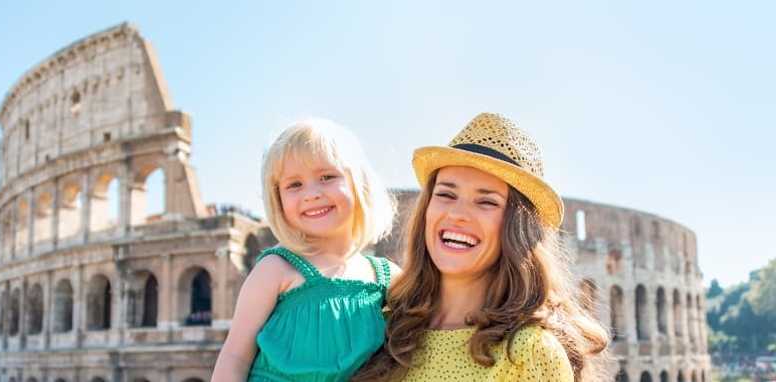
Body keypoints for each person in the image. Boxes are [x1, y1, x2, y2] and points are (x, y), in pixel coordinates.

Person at [354, 113, 610, 381]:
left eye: (486, 202)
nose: (457, 213)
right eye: (445, 194)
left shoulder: (529, 353)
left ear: (517, 228)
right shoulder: (385, 328)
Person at [212, 118, 399, 381]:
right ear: (278, 198)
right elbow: (235, 356)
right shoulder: (276, 269)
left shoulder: (388, 277)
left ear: (360, 184)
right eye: (294, 184)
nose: (311, 193)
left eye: (326, 177)